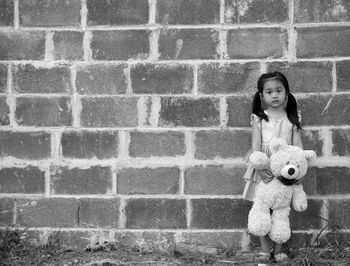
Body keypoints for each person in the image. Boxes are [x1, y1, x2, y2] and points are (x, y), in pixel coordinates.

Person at [242, 71, 303, 262]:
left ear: (286, 93)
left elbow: (298, 146)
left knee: (281, 208)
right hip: (264, 166)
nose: (274, 95)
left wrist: (299, 168)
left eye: (279, 90)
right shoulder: (259, 118)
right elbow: (255, 146)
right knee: (262, 206)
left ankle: (278, 250)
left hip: (285, 168)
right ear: (262, 96)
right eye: (269, 92)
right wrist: (259, 168)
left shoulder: (292, 117)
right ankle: (264, 249)